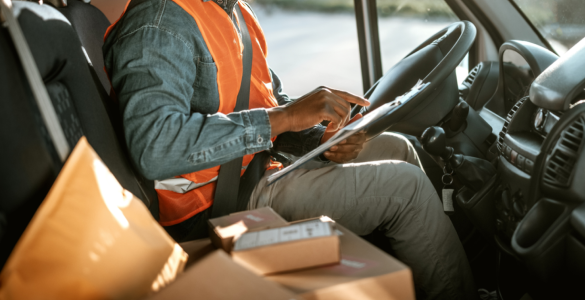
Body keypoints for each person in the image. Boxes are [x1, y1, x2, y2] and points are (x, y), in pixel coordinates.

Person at [102, 0, 475, 298]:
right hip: (213, 204)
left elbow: (271, 103)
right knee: (403, 187)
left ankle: (420, 274)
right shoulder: (160, 22)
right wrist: (283, 117)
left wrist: (322, 138)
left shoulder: (236, 14)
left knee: (397, 147)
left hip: (256, 170)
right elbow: (154, 146)